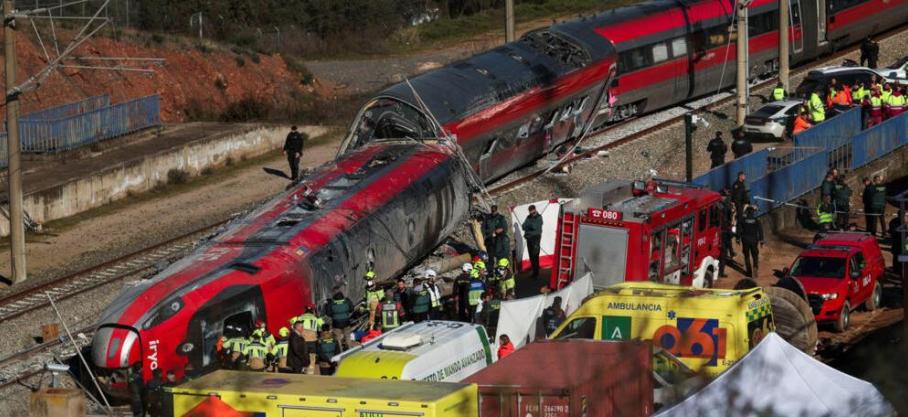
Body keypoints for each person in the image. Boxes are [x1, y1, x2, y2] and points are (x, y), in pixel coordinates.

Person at [737, 206, 764, 278]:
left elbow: (739, 229)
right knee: (755, 255)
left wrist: (738, 238)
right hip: (754, 241)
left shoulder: (743, 220)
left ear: (747, 212)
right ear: (753, 212)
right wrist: (761, 241)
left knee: (746, 256)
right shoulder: (757, 220)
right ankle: (755, 267)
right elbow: (760, 231)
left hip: (745, 240)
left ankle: (749, 272)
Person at [297, 307, 322, 374]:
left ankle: (303, 368)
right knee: (312, 355)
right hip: (312, 340)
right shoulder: (315, 318)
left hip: (303, 339)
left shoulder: (300, 318)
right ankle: (311, 370)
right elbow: (322, 325)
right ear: (312, 312)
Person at [521, 205, 544, 277]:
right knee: (531, 255)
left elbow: (534, 227)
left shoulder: (539, 217)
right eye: (530, 211)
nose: (531, 212)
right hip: (529, 238)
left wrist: (528, 226)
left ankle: (536, 272)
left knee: (535, 255)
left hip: (535, 238)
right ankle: (534, 271)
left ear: (534, 209)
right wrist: (529, 226)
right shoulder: (528, 217)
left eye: (532, 210)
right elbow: (523, 226)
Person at [718, 189, 735, 277]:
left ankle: (731, 253)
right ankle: (721, 272)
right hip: (723, 231)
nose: (725, 197)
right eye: (724, 196)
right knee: (723, 254)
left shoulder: (719, 204)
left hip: (722, 229)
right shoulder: (722, 206)